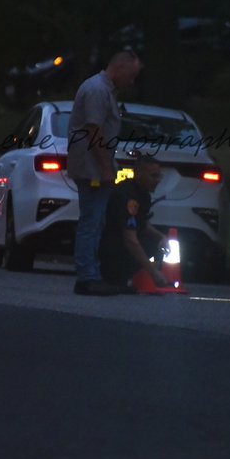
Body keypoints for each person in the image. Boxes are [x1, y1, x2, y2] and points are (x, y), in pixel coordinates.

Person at [69, 50, 143, 296]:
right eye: (131, 76)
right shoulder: (97, 91)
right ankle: (87, 276)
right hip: (92, 168)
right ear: (119, 67)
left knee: (97, 220)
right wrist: (104, 168)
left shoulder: (104, 90)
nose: (131, 82)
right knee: (91, 221)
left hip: (96, 166)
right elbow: (94, 131)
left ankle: (95, 273)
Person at [99, 155, 171, 291]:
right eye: (153, 176)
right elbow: (130, 238)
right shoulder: (128, 196)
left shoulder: (142, 194)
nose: (157, 181)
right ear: (138, 173)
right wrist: (153, 272)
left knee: (154, 243)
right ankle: (115, 278)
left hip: (117, 244)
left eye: (159, 176)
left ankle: (122, 279)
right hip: (110, 248)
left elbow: (141, 223)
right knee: (147, 245)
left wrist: (161, 237)